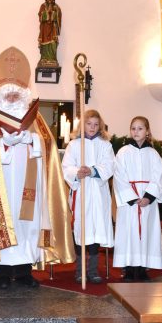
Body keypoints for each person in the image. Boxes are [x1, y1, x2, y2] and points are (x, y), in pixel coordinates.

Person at [0, 46, 74, 290]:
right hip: (2, 185)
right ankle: (3, 273)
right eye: (7, 92)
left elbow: (48, 147)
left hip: (30, 186)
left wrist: (33, 140)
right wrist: (3, 145)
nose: (11, 96)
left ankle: (24, 272)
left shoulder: (36, 118)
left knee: (27, 227)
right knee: (5, 224)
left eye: (16, 92)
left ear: (24, 92)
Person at [62, 110, 114, 284]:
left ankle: (92, 271)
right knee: (81, 231)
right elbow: (66, 166)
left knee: (96, 231)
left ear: (100, 126)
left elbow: (109, 165)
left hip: (98, 194)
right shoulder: (74, 145)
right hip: (81, 192)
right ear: (82, 125)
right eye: (88, 123)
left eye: (95, 124)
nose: (92, 127)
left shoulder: (105, 145)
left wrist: (92, 170)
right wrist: (78, 172)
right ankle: (79, 271)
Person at [113, 116, 162, 282]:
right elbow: (119, 176)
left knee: (146, 233)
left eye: (140, 128)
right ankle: (128, 268)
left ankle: (143, 268)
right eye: (133, 128)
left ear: (147, 131)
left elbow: (159, 176)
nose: (136, 131)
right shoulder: (123, 152)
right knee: (129, 233)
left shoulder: (153, 154)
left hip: (147, 201)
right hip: (130, 201)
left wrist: (148, 197)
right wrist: (132, 198)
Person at [37, 0, 62, 67]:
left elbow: (59, 15)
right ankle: (44, 58)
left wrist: (54, 13)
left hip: (53, 28)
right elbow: (40, 15)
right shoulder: (43, 6)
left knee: (53, 43)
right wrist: (47, 12)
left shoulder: (56, 6)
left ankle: (52, 59)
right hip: (44, 28)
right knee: (44, 43)